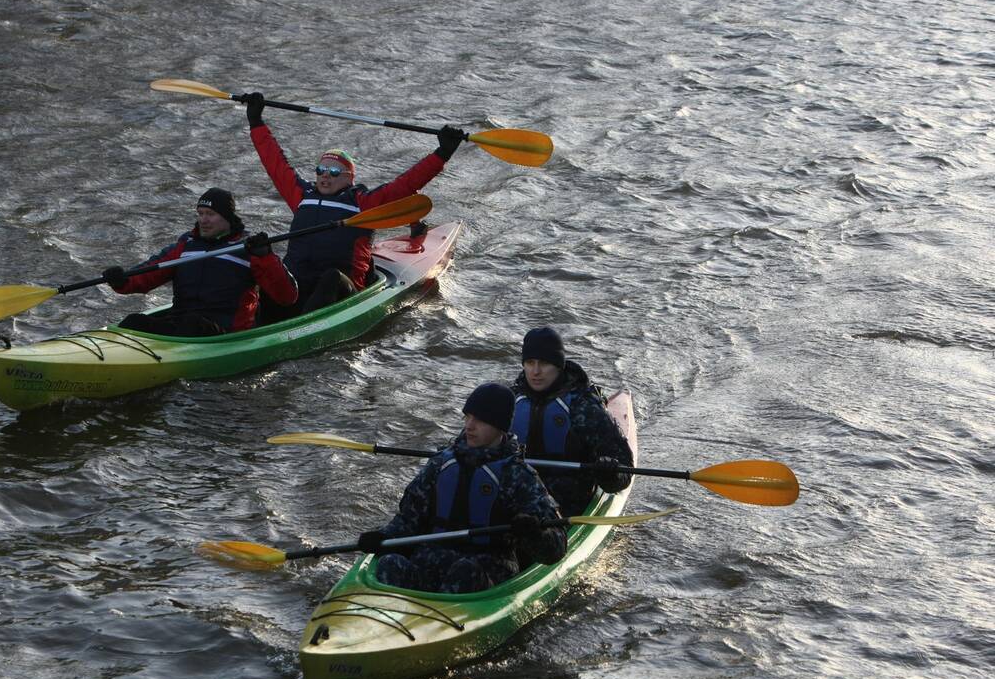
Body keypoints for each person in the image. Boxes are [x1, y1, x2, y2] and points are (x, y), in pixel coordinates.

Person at [241, 92, 466, 324]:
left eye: (334, 172)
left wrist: (443, 153)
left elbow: (405, 185)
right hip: (298, 287)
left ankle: (302, 328)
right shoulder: (301, 195)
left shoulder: (363, 204)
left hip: (342, 292)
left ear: (349, 178)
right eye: (320, 170)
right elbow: (274, 162)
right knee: (267, 275)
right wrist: (256, 122)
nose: (325, 176)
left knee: (331, 278)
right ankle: (254, 330)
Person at [356, 383, 567, 594]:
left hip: (485, 571)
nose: (469, 426)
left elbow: (556, 548)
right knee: (390, 564)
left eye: (480, 420)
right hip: (431, 562)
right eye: (467, 417)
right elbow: (406, 521)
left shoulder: (518, 475)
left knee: (465, 572)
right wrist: (382, 537)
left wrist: (534, 534)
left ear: (500, 427)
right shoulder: (440, 464)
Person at [101, 188, 298, 336]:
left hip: (224, 333)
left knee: (192, 323)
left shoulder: (249, 250)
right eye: (200, 213)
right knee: (133, 321)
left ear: (227, 218)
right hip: (182, 325)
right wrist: (122, 280)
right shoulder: (186, 245)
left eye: (210, 214)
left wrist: (266, 257)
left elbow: (286, 296)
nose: (203, 220)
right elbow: (149, 273)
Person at [510, 327, 633, 516]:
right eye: (529, 362)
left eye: (543, 363)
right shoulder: (510, 400)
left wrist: (610, 473)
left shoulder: (583, 406)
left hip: (568, 506)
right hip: (518, 502)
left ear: (558, 365)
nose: (535, 371)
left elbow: (624, 469)